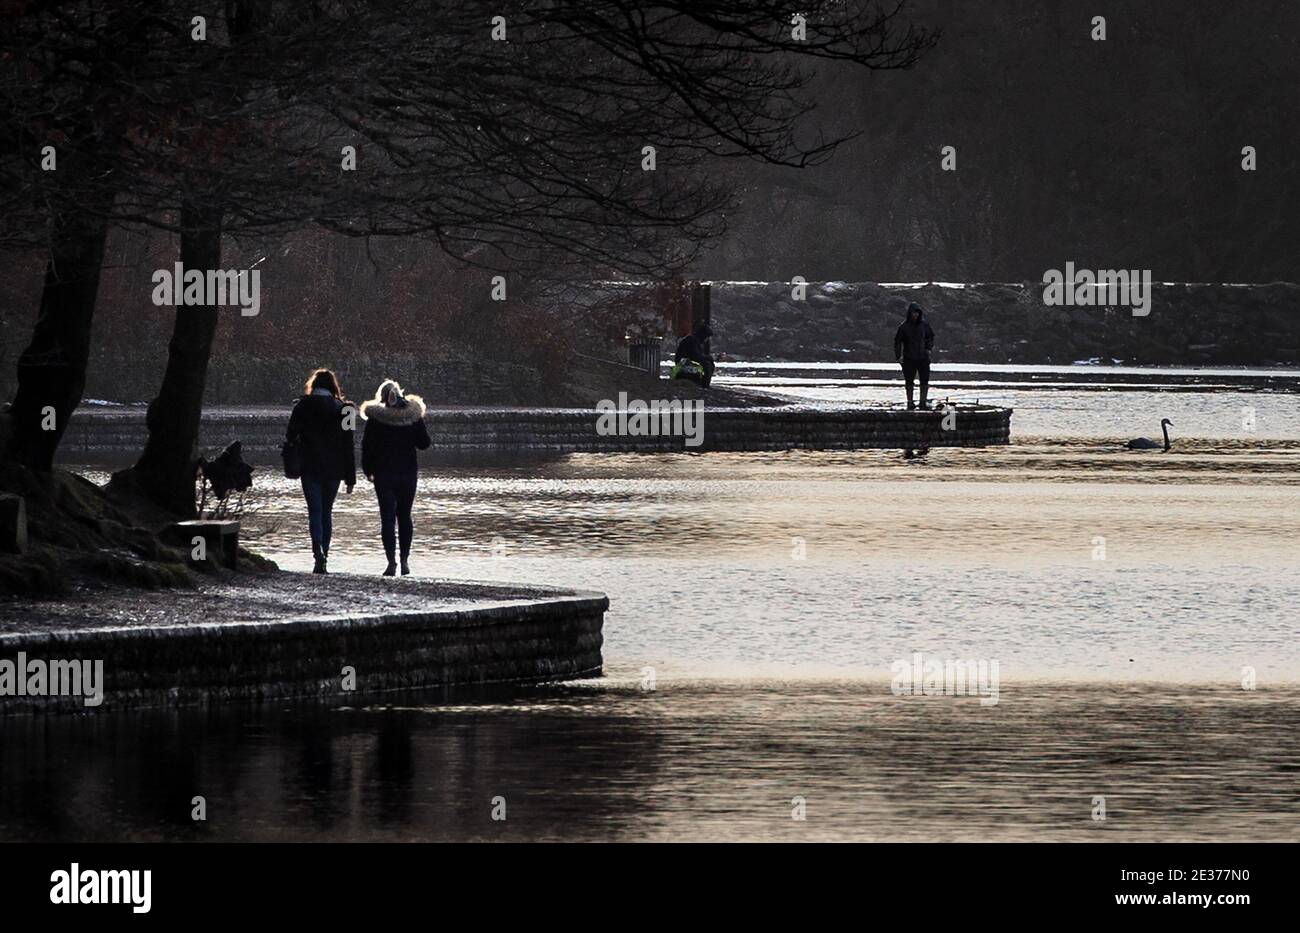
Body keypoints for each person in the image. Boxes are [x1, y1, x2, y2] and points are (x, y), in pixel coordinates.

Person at [286, 368, 356, 573]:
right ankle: (325, 552)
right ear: (333, 386)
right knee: (327, 511)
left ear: (314, 386)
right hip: (334, 469)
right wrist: (350, 478)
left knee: (314, 511)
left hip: (309, 466)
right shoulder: (346, 410)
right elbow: (348, 445)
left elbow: (290, 435)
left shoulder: (302, 406)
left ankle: (317, 551)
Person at [360, 379, 431, 576]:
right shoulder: (412, 416)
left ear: (381, 397)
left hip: (383, 474)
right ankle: (405, 561)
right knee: (405, 516)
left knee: (387, 518)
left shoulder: (376, 419)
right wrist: (417, 421)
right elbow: (424, 443)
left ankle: (391, 562)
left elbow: (367, 447)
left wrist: (368, 470)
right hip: (408, 473)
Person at [894, 302, 936, 409]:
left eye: (917, 312)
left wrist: (928, 349)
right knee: (909, 381)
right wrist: (899, 357)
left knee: (924, 380)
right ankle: (910, 402)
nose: (916, 315)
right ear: (910, 313)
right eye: (914, 312)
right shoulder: (903, 327)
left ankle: (923, 402)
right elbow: (897, 342)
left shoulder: (925, 325)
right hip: (908, 358)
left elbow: (930, 337)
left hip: (923, 358)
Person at [673, 322, 715, 388]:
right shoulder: (692, 341)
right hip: (683, 364)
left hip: (685, 362)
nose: (707, 340)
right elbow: (696, 357)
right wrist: (709, 357)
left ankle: (704, 385)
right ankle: (705, 386)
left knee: (707, 362)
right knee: (707, 365)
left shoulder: (694, 340)